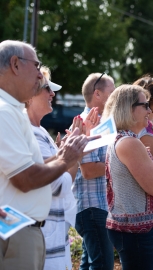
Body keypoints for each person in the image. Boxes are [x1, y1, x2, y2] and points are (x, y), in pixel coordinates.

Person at [0, 40, 89, 270]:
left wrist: (63, 156)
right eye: (37, 66)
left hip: (22, 230)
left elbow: (31, 167)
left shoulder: (11, 111)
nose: (40, 76)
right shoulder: (4, 112)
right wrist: (66, 159)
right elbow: (26, 178)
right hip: (16, 231)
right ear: (15, 65)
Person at [103, 84, 153, 270]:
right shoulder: (129, 142)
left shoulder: (127, 139)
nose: (150, 109)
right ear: (128, 108)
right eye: (145, 105)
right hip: (137, 231)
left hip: (139, 229)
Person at [25, 66, 95, 270]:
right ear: (30, 93)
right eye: (47, 88)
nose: (52, 94)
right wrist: (73, 155)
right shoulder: (32, 134)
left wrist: (70, 151)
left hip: (52, 239)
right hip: (45, 242)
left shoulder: (40, 131)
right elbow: (57, 185)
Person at [72, 72, 115, 270]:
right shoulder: (83, 124)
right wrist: (123, 164)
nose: (115, 97)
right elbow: (88, 171)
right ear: (97, 94)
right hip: (92, 207)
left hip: (97, 207)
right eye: (112, 91)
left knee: (91, 264)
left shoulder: (102, 124)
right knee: (102, 265)